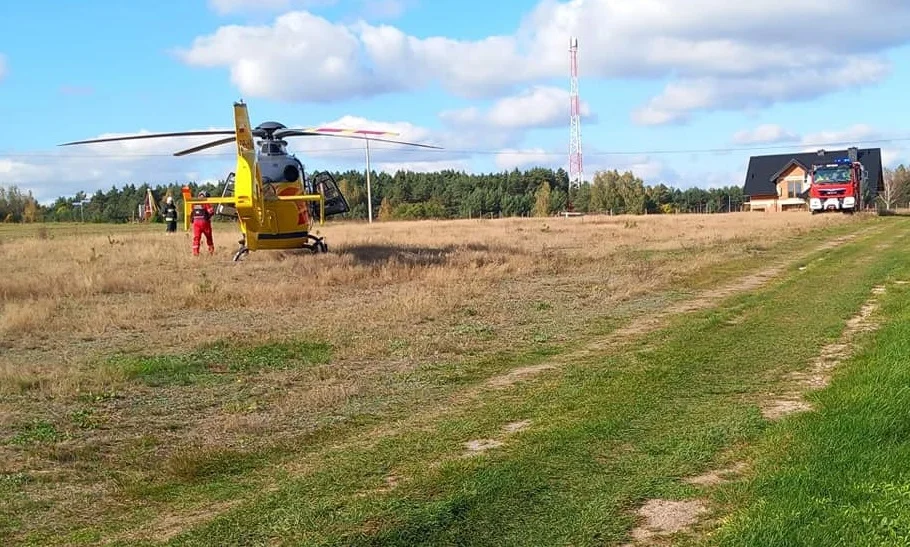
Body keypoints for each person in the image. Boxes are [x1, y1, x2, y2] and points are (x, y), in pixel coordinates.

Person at [191, 191, 215, 256]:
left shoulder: (194, 203)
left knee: (196, 238)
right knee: (209, 237)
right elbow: (211, 211)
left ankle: (195, 253)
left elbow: (192, 212)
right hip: (204, 222)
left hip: (196, 223)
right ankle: (211, 252)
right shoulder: (205, 202)